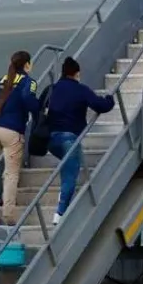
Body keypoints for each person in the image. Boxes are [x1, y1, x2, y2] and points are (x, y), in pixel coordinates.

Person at [45, 56, 115, 226]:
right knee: (70, 176)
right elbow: (101, 106)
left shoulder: (52, 89)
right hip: (69, 138)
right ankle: (59, 215)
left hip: (50, 139)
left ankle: (63, 202)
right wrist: (110, 98)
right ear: (77, 73)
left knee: (67, 166)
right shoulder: (80, 89)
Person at [0, 50, 41, 224]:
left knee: (8, 166)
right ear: (27, 65)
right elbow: (28, 98)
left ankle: (2, 200)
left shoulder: (3, 80)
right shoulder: (29, 81)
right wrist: (39, 111)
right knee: (12, 173)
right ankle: (8, 215)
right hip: (11, 131)